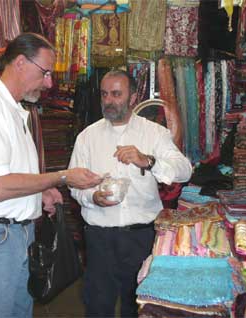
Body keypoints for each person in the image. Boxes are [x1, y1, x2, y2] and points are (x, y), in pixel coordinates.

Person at [0, 33, 102, 318]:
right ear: (20, 62)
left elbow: (10, 175)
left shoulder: (14, 111)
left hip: (16, 234)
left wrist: (39, 192)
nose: (49, 83)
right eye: (45, 73)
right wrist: (62, 177)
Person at [68, 70, 192, 317]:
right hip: (99, 238)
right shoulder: (87, 137)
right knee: (97, 305)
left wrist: (147, 160)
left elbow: (185, 171)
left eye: (116, 94)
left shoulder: (154, 133)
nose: (109, 101)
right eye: (104, 94)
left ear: (133, 97)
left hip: (141, 237)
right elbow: (74, 183)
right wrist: (92, 197)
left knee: (138, 306)